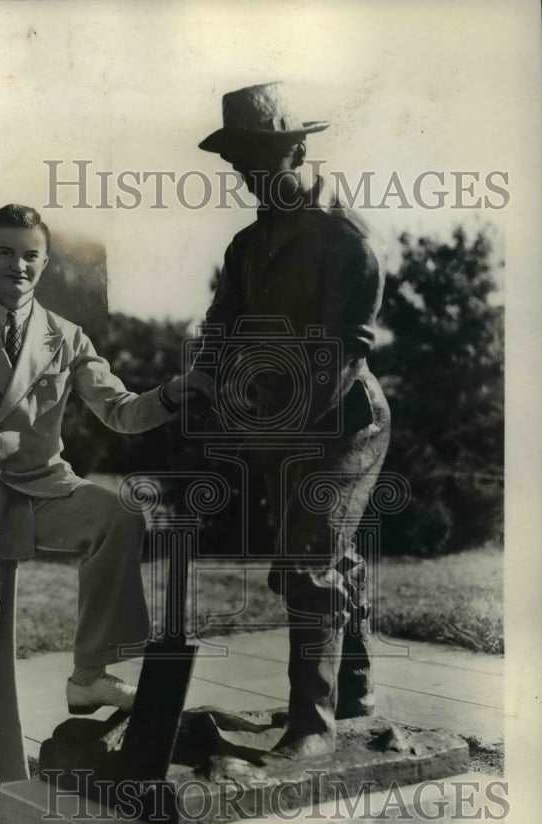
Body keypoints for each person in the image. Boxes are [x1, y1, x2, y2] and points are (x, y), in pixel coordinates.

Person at [0, 204, 213, 824]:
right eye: (7, 252)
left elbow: (120, 410)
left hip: (46, 488)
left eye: (31, 255)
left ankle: (90, 675)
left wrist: (173, 394)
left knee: (115, 515)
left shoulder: (67, 337)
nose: (19, 264)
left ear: (43, 265)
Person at [191, 82, 391, 760]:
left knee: (308, 560)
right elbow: (223, 332)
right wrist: (210, 391)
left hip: (345, 422)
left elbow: (342, 354)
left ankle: (312, 724)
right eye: (237, 163)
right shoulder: (247, 247)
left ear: (297, 150)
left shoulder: (348, 240)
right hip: (278, 420)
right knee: (315, 558)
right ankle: (354, 694)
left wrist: (276, 432)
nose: (246, 175)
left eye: (258, 160)